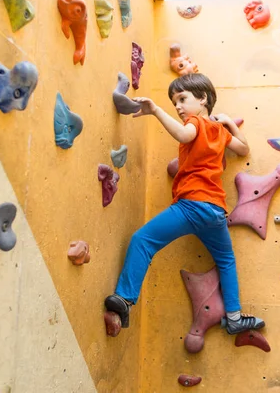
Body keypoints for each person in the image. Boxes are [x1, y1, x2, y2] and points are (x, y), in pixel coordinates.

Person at [104, 73, 265, 335]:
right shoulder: (219, 132)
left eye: (182, 99)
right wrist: (228, 124)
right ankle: (234, 317)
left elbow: (183, 135)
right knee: (225, 260)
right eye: (173, 103)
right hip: (215, 211)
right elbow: (244, 149)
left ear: (203, 99)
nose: (177, 107)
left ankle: (124, 299)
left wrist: (155, 110)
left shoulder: (196, 123)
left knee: (143, 240)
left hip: (192, 206)